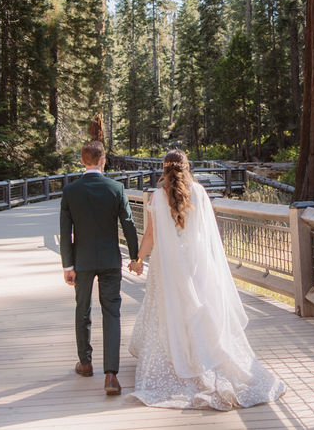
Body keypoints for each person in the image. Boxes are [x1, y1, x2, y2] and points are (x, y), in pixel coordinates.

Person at [126, 149, 286, 410]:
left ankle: (183, 359)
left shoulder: (156, 196)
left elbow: (151, 236)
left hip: (169, 267)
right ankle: (206, 357)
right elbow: (210, 234)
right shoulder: (199, 193)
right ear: (187, 168)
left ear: (163, 170)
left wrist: (139, 260)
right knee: (200, 311)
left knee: (174, 313)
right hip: (197, 264)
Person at [60, 140, 140, 396]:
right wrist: (135, 256)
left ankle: (85, 363)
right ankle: (111, 375)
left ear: (83, 161)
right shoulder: (115, 188)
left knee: (82, 309)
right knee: (112, 312)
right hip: (109, 261)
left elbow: (65, 231)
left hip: (81, 261)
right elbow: (128, 224)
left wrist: (68, 265)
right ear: (103, 160)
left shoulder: (70, 191)